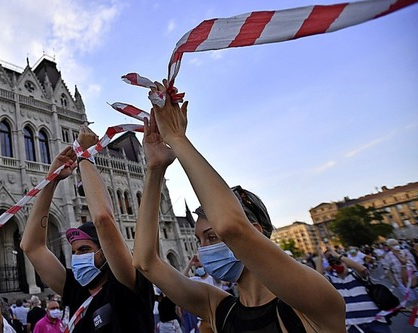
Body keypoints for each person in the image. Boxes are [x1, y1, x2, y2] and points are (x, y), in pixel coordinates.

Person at [131, 81, 345, 332]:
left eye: (212, 237)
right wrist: (154, 170)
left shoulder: (312, 303)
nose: (203, 251)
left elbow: (232, 227)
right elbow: (146, 262)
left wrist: (177, 138)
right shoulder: (218, 307)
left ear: (255, 230)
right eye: (200, 240)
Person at [20, 140, 155, 332]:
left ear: (105, 251)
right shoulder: (76, 289)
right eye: (75, 252)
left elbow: (102, 218)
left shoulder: (128, 284)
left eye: (85, 250)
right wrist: (52, 180)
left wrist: (85, 155)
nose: (78, 258)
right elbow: (31, 247)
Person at [316, 247, 391, 333]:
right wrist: (320, 257)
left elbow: (362, 269)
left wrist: (338, 256)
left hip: (375, 321)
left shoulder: (355, 275)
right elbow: (318, 277)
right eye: (333, 264)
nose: (336, 266)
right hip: (353, 326)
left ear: (345, 263)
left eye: (338, 263)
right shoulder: (332, 280)